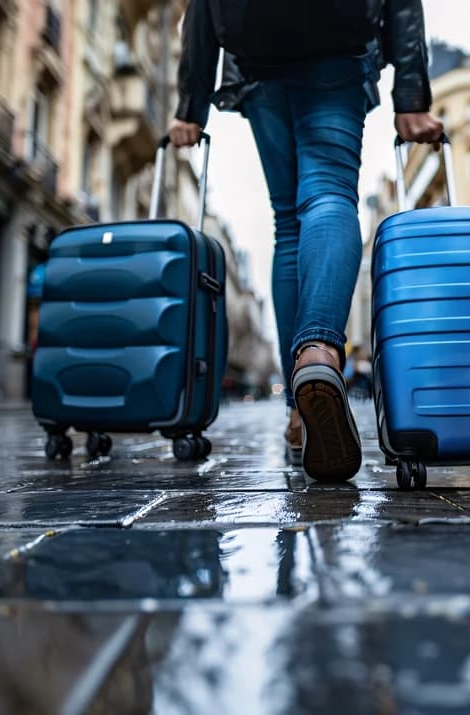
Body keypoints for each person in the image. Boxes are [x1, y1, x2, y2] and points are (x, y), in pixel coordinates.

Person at [170, 0, 442, 481]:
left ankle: (299, 413)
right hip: (338, 48)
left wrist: (191, 105)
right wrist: (412, 94)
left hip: (257, 62)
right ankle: (319, 352)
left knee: (289, 225)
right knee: (330, 194)